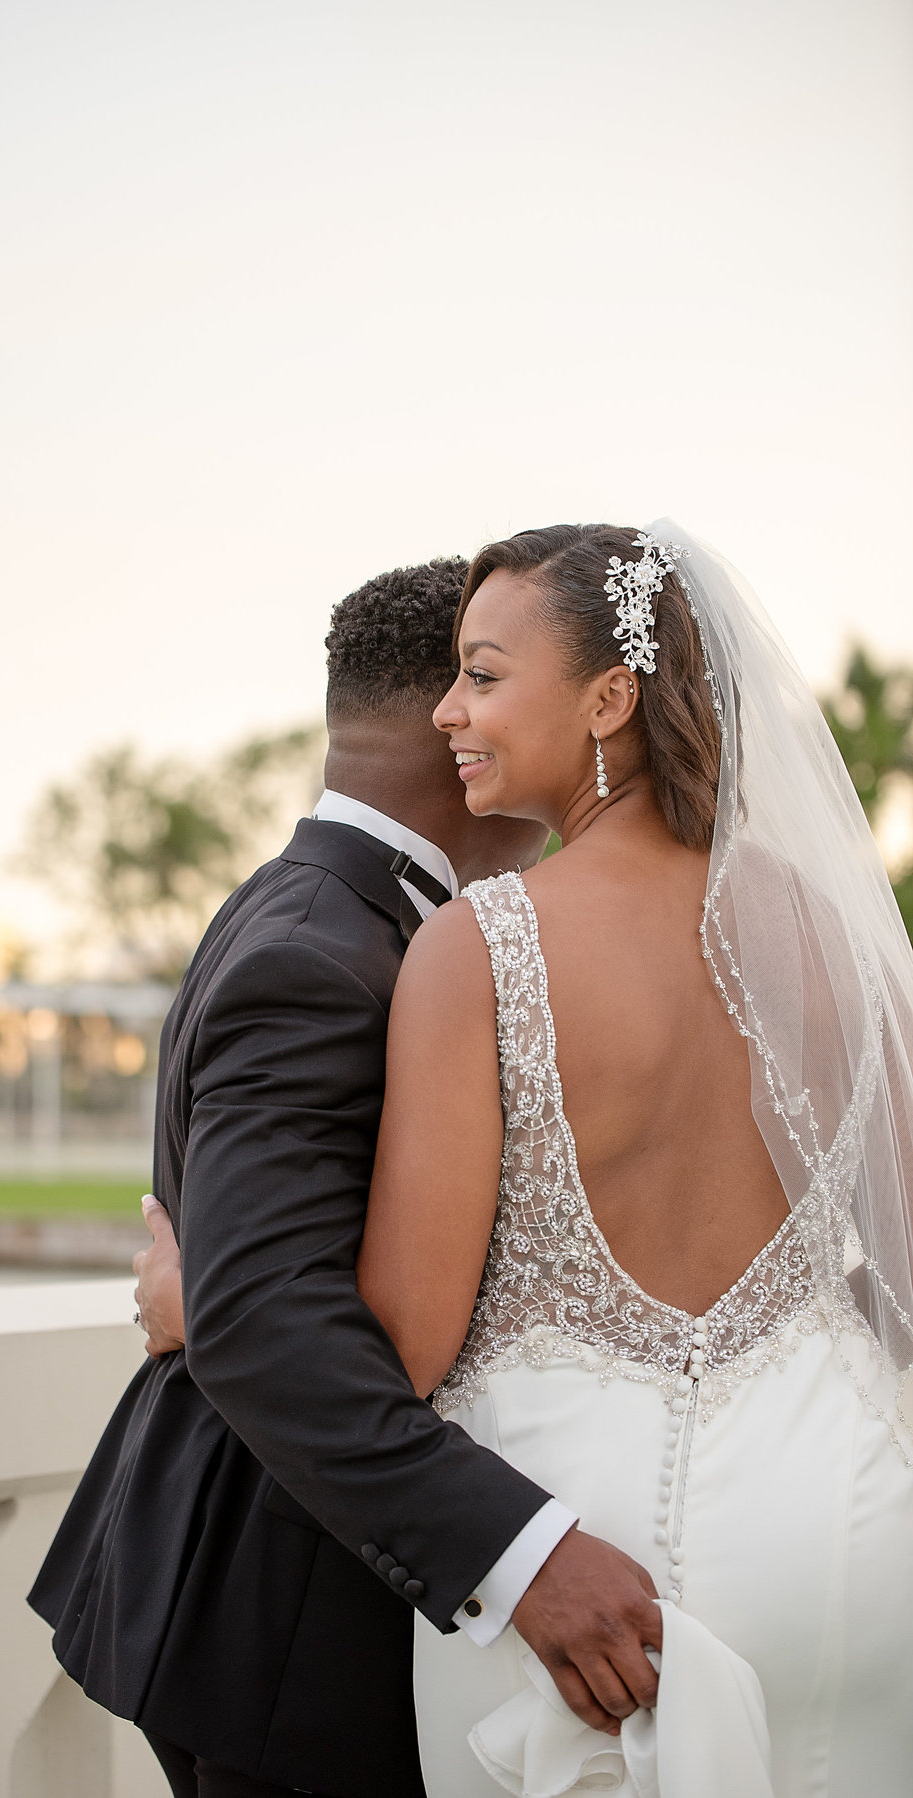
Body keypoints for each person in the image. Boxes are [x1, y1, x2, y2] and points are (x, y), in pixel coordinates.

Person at [29, 559, 663, 1798]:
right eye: (480, 675)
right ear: (453, 713)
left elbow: (255, 1278)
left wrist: (203, 1291)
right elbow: (269, 1322)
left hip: (283, 1582)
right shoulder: (328, 954)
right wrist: (522, 1558)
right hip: (281, 1628)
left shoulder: (309, 903)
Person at [357, 522, 913, 1795]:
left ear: (611, 696)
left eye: (484, 674)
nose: (448, 709)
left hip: (584, 1578)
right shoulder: (832, 935)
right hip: (845, 1530)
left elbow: (406, 1343)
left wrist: (201, 1288)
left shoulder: (478, 947)